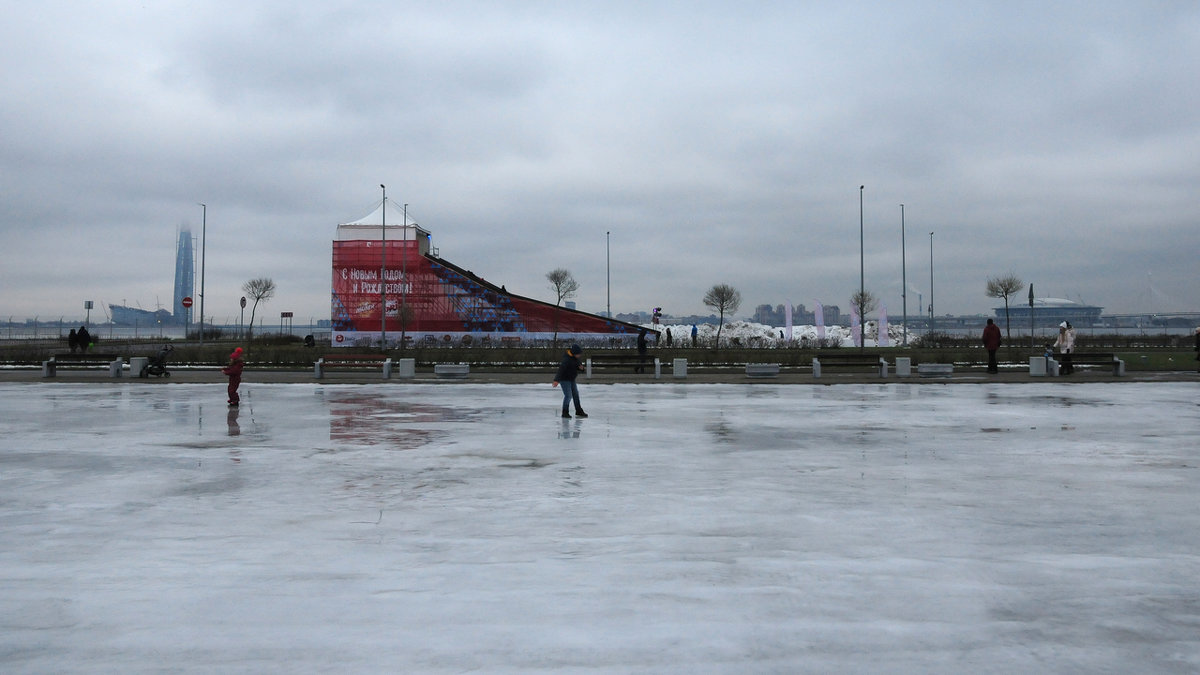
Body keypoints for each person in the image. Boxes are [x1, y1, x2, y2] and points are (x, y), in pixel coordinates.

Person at [552, 344, 587, 418]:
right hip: (564, 380)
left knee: (576, 395)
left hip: (572, 379)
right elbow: (561, 370)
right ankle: (565, 412)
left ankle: (578, 410)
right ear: (574, 353)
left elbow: (578, 366)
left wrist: (582, 369)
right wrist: (556, 380)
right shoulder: (566, 359)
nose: (579, 355)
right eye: (578, 354)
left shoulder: (576, 358)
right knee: (568, 396)